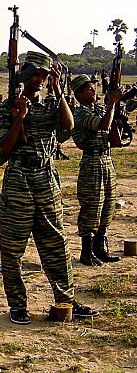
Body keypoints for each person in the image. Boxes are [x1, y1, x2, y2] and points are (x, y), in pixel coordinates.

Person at [0, 51, 98, 325]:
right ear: (26, 75)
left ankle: (66, 299)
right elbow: (3, 148)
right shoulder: (8, 106)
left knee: (56, 244)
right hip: (18, 180)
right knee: (12, 248)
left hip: (45, 179)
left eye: (45, 75)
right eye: (37, 74)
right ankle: (17, 306)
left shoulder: (53, 104)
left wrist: (59, 92)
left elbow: (69, 125)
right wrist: (20, 117)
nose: (40, 79)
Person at [70, 74, 122, 266]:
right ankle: (86, 251)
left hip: (106, 160)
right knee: (92, 208)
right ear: (80, 94)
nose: (93, 91)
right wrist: (111, 104)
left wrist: (117, 104)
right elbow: (103, 125)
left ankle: (100, 248)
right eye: (89, 89)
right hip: (91, 163)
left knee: (107, 207)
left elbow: (114, 129)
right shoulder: (80, 113)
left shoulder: (98, 109)